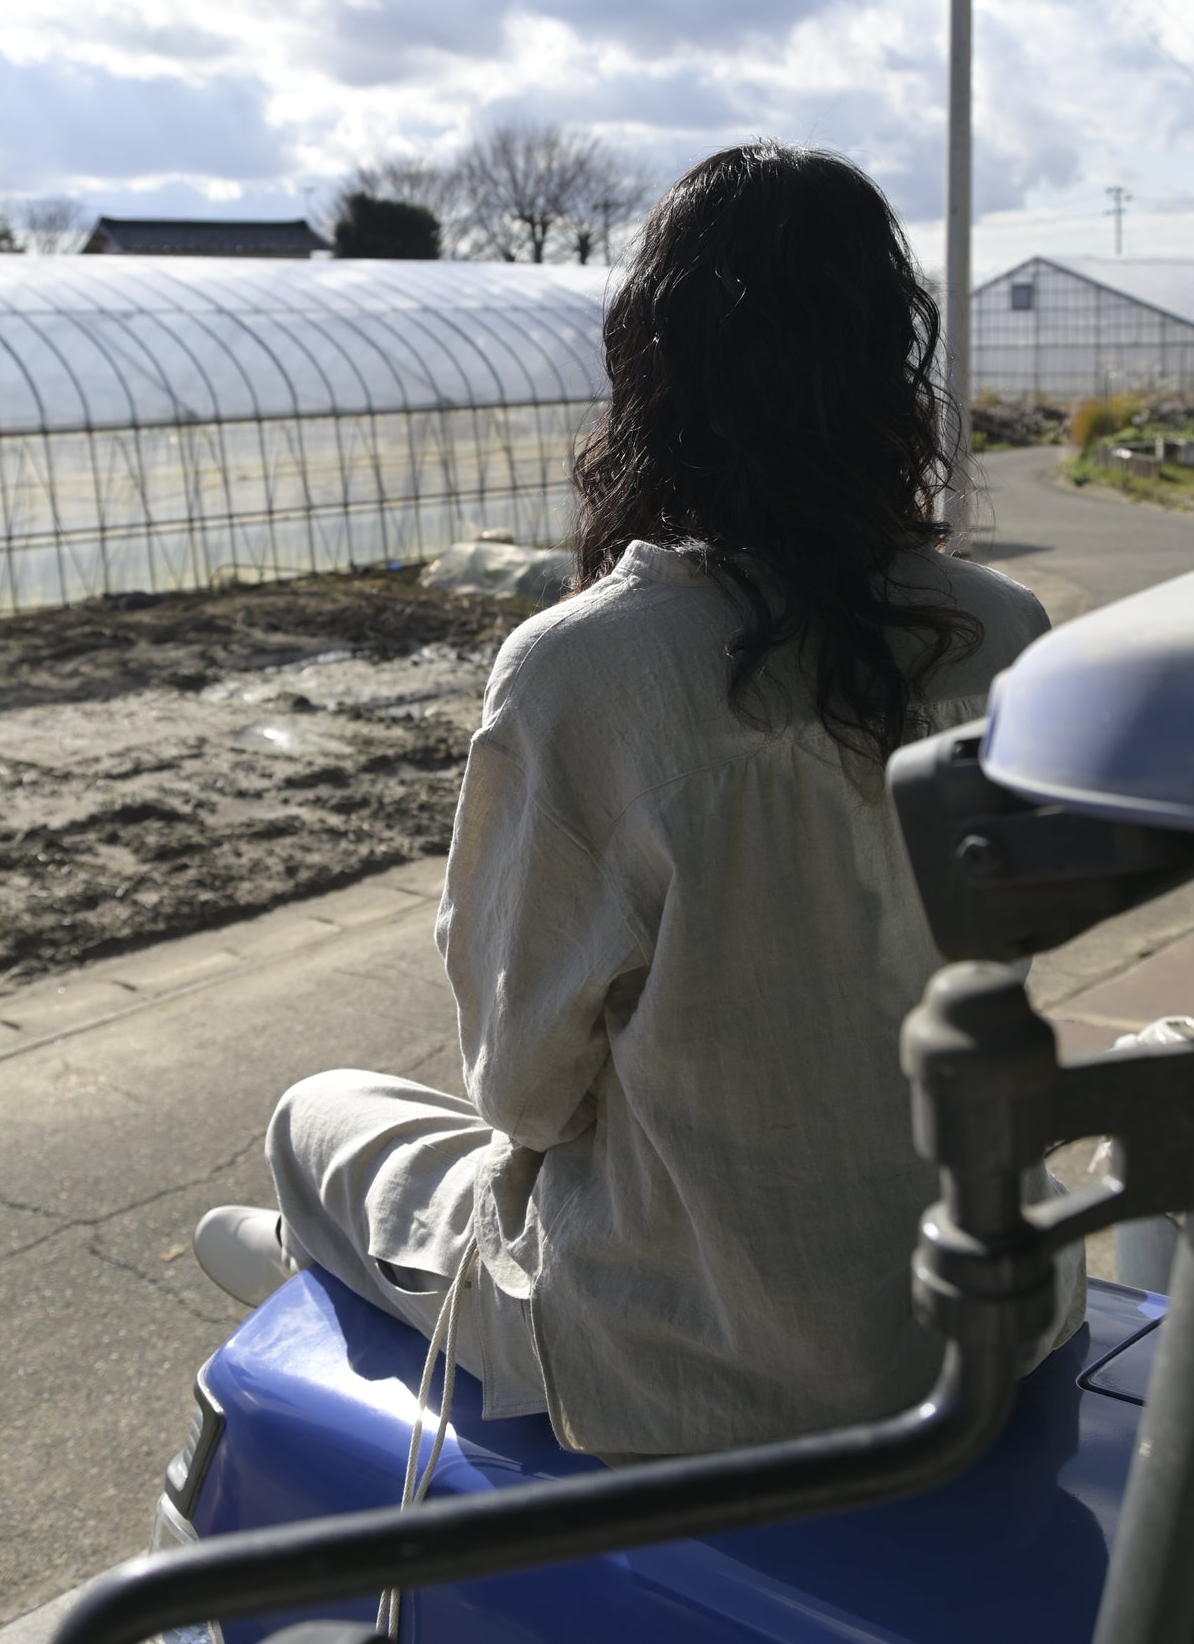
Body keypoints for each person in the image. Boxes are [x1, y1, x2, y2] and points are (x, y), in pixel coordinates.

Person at [194, 141, 1084, 1458]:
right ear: (886, 369)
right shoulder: (1006, 629)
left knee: (316, 1111)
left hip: (692, 1353)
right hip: (986, 1315)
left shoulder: (583, 666)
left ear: (654, 371)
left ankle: (354, 1266)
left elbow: (523, 1090)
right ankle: (376, 1258)